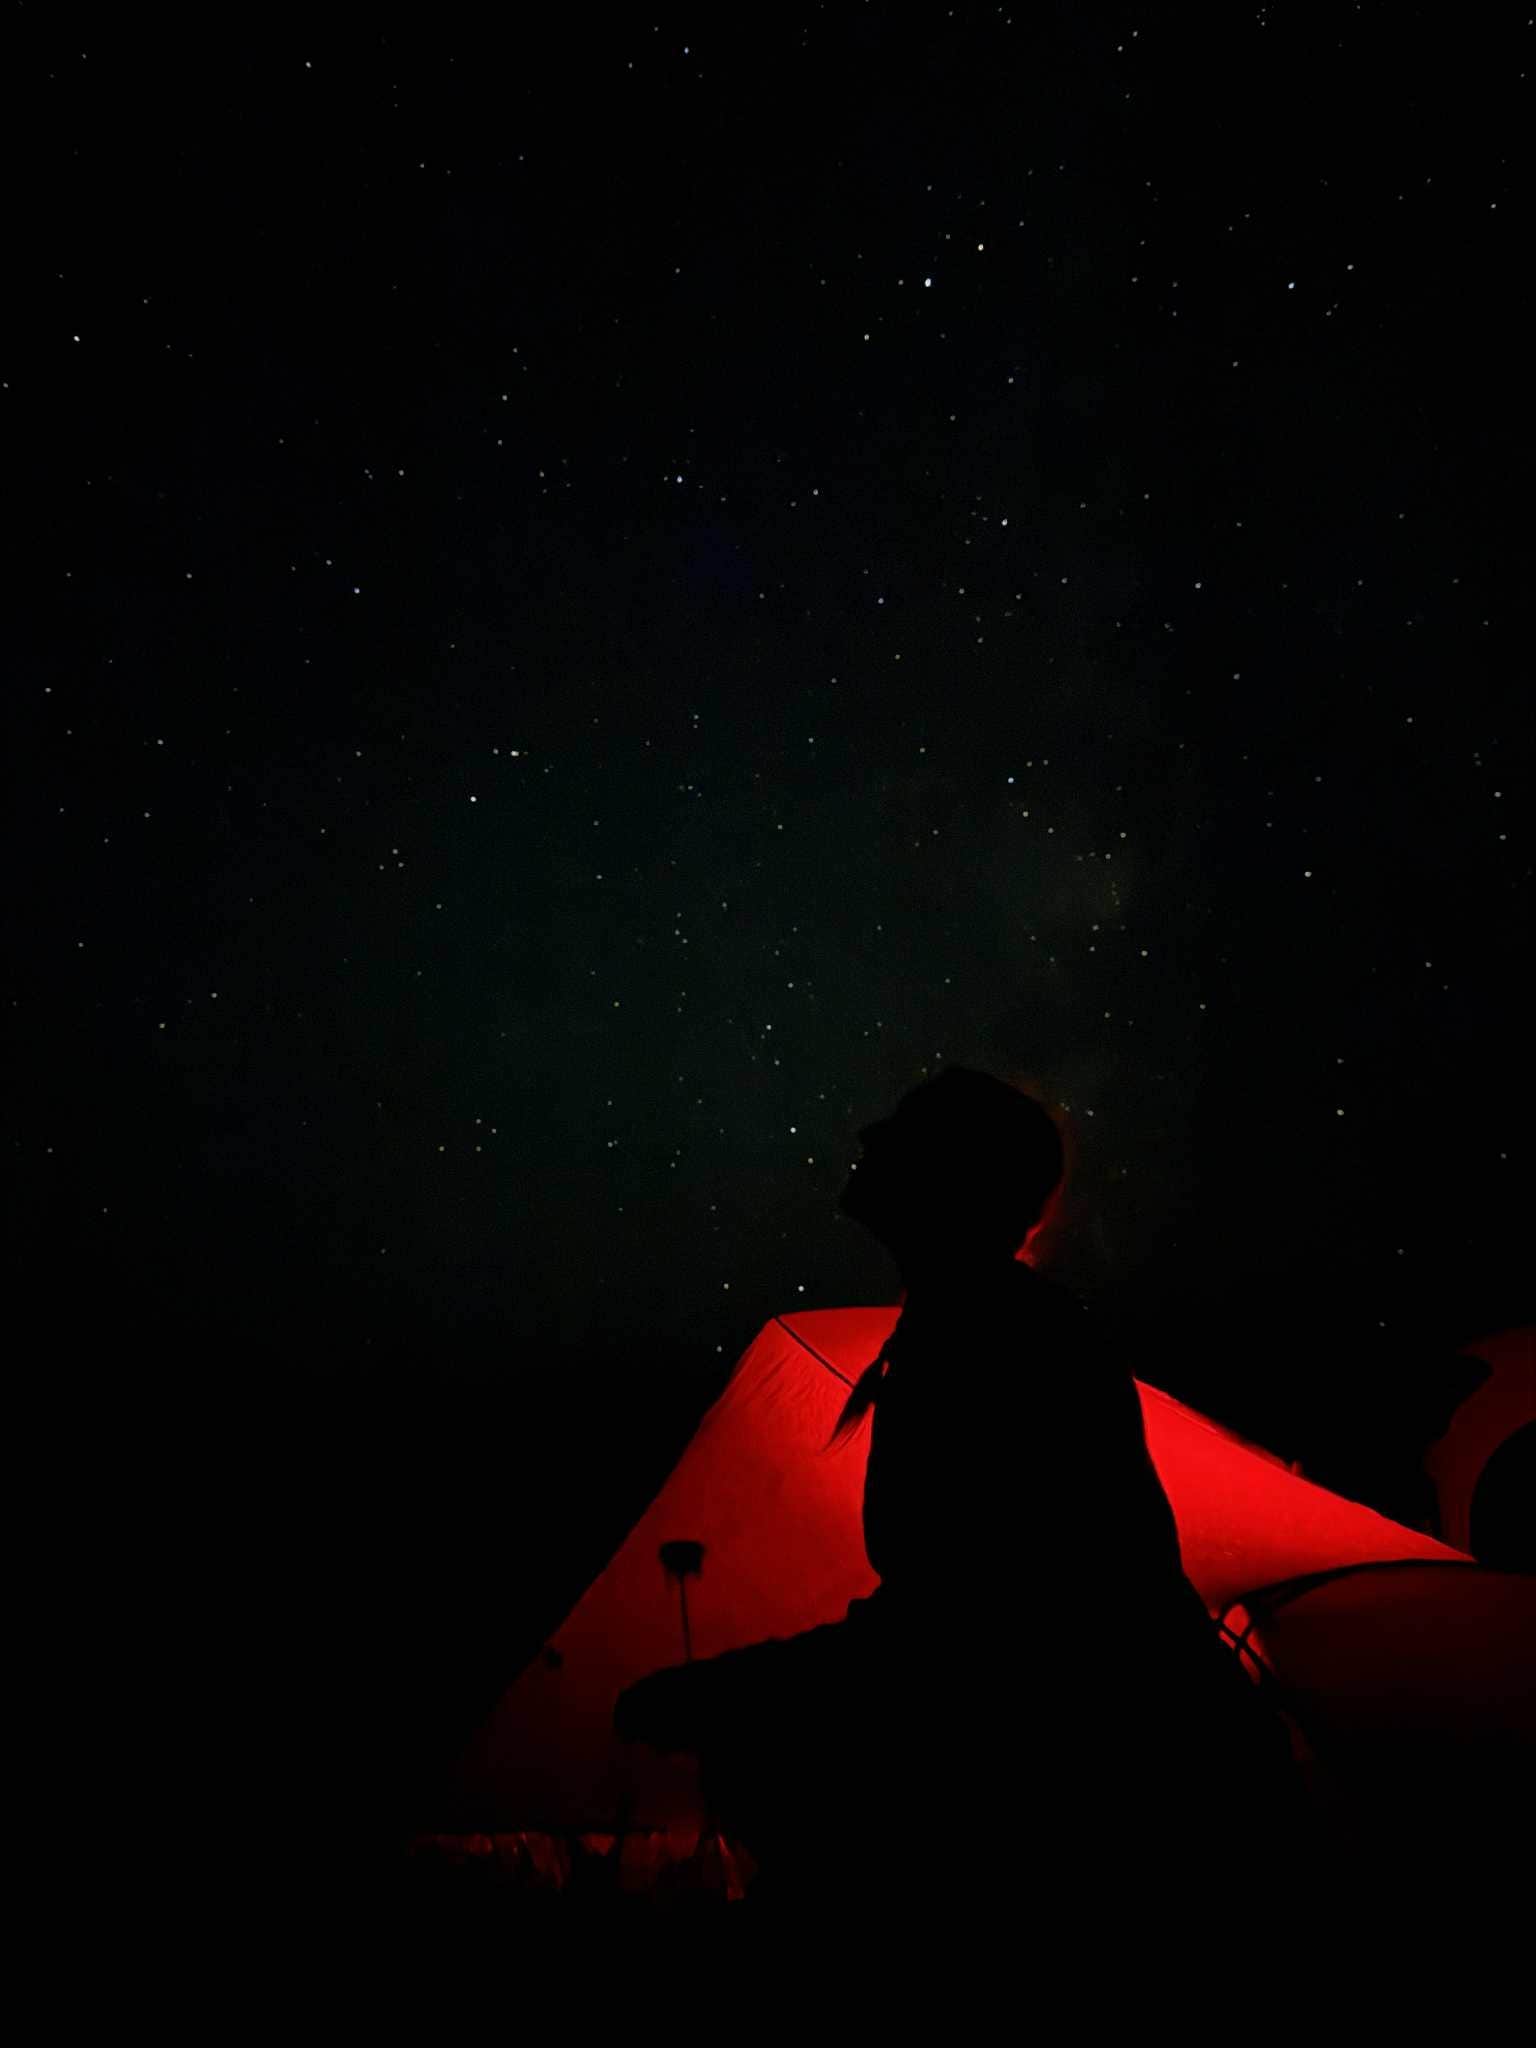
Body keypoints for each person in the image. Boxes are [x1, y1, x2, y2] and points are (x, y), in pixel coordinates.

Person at [617, 1066, 1296, 1927]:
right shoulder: (979, 1329)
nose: (866, 1137)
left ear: (951, 1178)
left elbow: (982, 1627)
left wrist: (735, 1693)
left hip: (1120, 1804)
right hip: (1151, 1773)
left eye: (902, 1128)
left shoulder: (995, 1343)